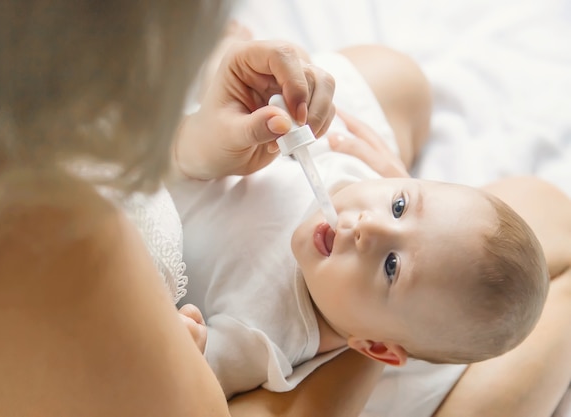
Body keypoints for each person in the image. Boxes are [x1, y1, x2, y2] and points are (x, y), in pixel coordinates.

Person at [0, 1, 376, 416]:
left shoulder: (20, 127)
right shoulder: (45, 248)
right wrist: (380, 335)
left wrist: (192, 143)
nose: (370, 230)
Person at [170, 42, 548, 400]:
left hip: (152, 199)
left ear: (376, 347)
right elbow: (297, 123)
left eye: (391, 266)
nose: (369, 226)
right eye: (399, 207)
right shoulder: (354, 174)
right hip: (196, 147)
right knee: (397, 79)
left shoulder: (266, 338)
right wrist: (290, 93)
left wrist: (194, 348)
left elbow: (191, 380)